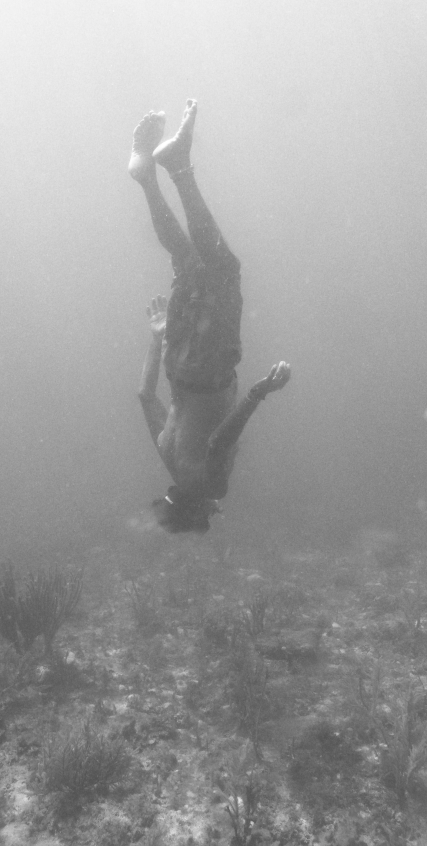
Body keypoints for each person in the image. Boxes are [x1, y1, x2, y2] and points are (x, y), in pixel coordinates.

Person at [129, 100, 291, 534]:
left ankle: (178, 167)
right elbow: (145, 395)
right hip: (177, 362)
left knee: (223, 270)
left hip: (210, 364)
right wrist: (158, 334)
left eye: (205, 519)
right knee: (186, 261)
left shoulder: (211, 486)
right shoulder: (170, 461)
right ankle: (146, 179)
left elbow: (220, 440)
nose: (213, 513)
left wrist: (259, 393)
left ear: (194, 510)